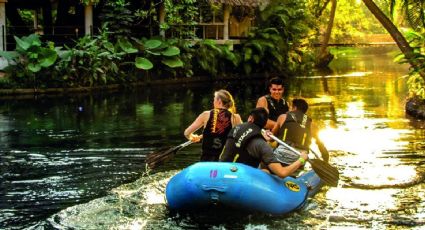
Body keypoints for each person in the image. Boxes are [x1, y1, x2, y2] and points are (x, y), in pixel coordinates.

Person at [219, 107, 308, 179]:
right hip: (239, 179)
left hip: (221, 171)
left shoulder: (236, 127)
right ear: (265, 125)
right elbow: (282, 173)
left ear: (250, 118)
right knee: (266, 171)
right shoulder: (262, 145)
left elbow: (246, 138)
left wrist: (265, 139)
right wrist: (301, 159)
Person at [184, 89, 242, 161]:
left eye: (214, 99)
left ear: (219, 101)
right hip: (224, 161)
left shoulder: (206, 115)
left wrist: (192, 137)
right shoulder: (235, 118)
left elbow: (186, 133)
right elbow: (242, 138)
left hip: (206, 161)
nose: (213, 102)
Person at [271, 98, 329, 164]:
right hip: (300, 159)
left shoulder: (283, 117)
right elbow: (321, 147)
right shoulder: (312, 125)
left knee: (265, 157)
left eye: (290, 107)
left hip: (281, 154)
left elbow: (271, 139)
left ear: (294, 108)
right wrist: (326, 162)